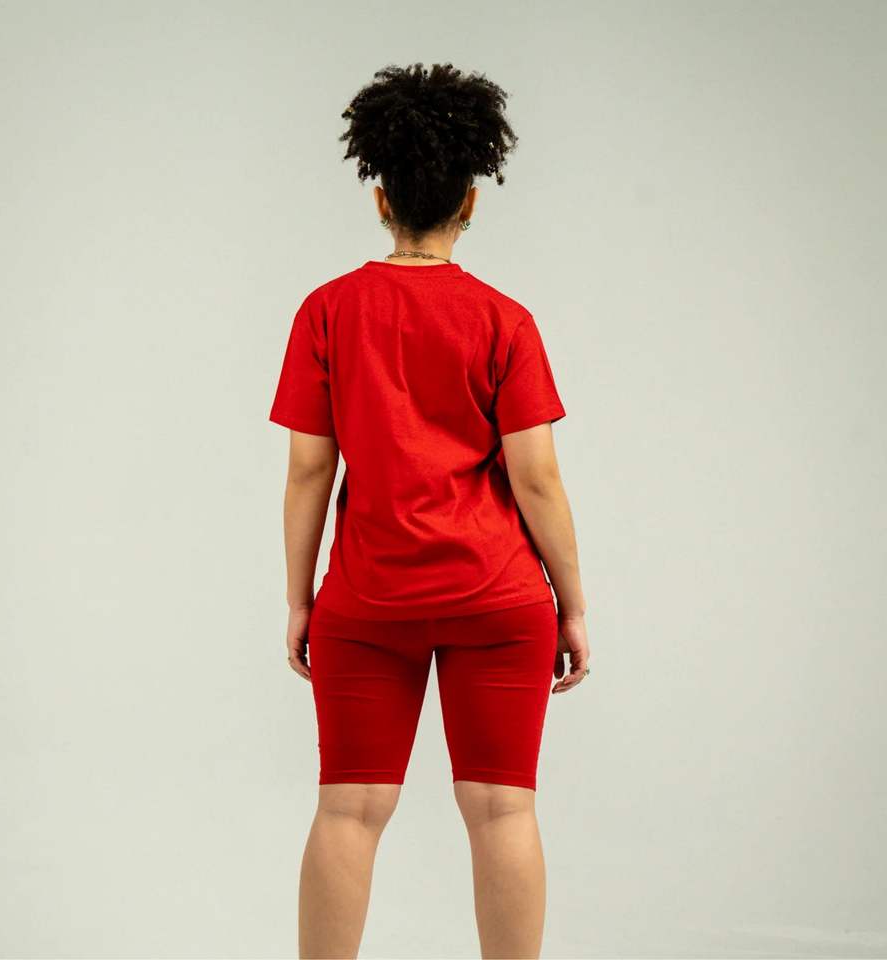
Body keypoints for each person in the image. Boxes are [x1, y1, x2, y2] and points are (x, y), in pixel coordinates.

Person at [268, 62, 590, 960]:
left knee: (348, 808)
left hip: (368, 600)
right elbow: (537, 479)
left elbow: (308, 471)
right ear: (470, 203)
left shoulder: (327, 312)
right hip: (498, 596)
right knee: (502, 810)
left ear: (381, 200)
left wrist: (301, 598)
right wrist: (571, 604)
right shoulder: (505, 321)